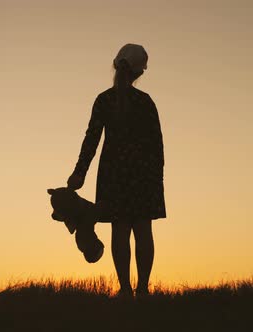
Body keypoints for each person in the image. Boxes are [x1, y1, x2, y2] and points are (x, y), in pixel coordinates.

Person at [67, 43, 166, 297]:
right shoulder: (145, 102)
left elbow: (91, 139)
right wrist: (157, 177)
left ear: (116, 64)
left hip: (113, 173)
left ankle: (124, 290)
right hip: (144, 174)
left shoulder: (104, 100)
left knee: (119, 230)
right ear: (139, 73)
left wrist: (79, 173)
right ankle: (142, 289)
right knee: (143, 230)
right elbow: (157, 144)